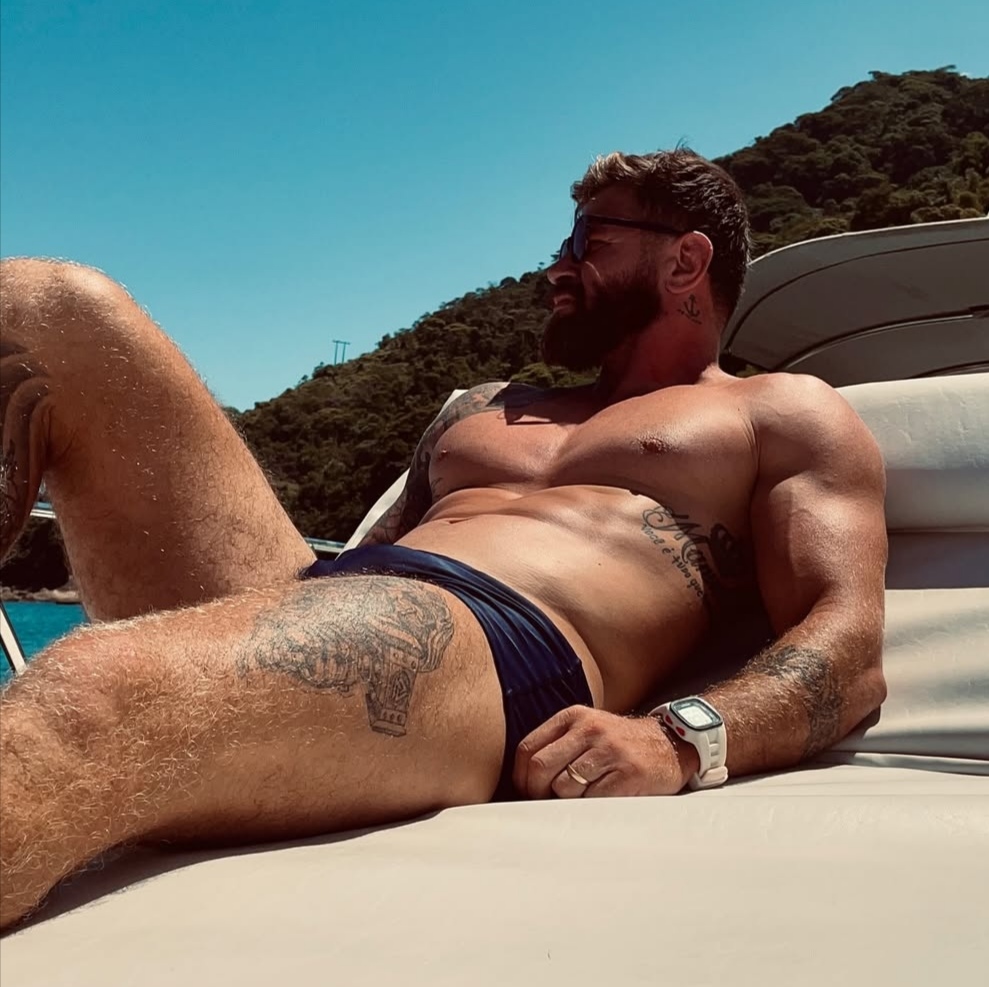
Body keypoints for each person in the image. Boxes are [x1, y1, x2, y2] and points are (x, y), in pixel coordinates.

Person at [0, 149, 888, 930]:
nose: (557, 266)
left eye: (590, 240)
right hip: (336, 595)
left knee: (95, 689)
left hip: (506, 650)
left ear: (685, 260)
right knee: (46, 304)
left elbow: (847, 648)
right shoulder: (483, 406)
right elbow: (359, 568)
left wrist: (679, 738)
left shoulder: (777, 409)